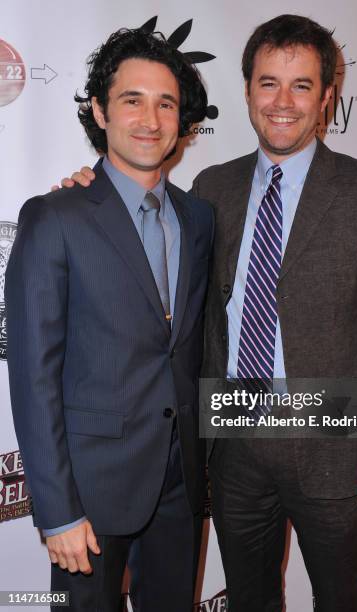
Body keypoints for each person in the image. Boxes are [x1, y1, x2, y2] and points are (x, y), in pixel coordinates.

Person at [59, 14, 357, 612]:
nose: (283, 102)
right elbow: (141, 232)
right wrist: (85, 187)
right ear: (249, 90)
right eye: (268, 83)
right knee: (249, 600)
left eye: (301, 85)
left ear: (327, 97)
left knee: (341, 598)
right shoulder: (212, 189)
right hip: (235, 450)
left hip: (336, 449)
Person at [6, 28, 213, 612]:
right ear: (100, 111)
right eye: (131, 99)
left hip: (180, 483)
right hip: (90, 494)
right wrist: (58, 510)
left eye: (165, 103)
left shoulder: (198, 218)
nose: (150, 119)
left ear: (182, 120)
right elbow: (33, 379)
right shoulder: (55, 217)